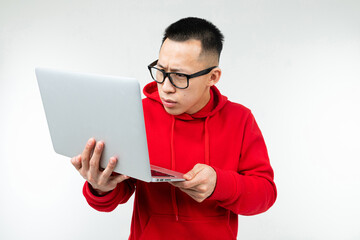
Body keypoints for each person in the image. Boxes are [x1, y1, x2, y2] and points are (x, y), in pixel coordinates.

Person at [71, 17, 277, 240]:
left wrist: (219, 183)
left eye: (180, 76)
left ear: (212, 77)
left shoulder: (240, 119)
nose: (166, 88)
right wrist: (100, 187)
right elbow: (117, 192)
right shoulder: (137, 113)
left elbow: (265, 194)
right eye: (161, 71)